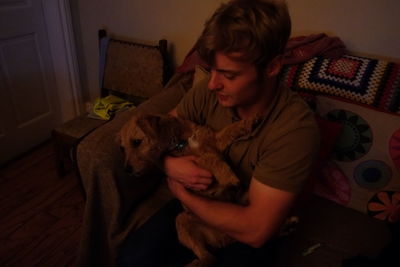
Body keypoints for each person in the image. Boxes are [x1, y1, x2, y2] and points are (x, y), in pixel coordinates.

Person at [118, 0, 319, 266]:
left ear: (271, 67)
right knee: (131, 258)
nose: (212, 83)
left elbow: (255, 229)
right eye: (211, 69)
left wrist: (182, 193)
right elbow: (167, 132)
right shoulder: (209, 92)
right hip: (194, 209)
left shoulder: (295, 129)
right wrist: (171, 164)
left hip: (243, 224)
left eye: (228, 74)